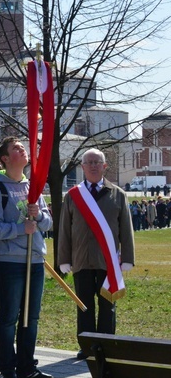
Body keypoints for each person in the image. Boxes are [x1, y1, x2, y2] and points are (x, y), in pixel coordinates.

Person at [0, 137, 53, 378]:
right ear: (4, 158)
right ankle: (7, 365)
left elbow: (47, 223)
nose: (23, 150)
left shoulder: (33, 186)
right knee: (10, 315)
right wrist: (21, 228)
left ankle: (27, 364)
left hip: (34, 259)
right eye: (16, 148)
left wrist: (40, 216)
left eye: (23, 147)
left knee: (31, 316)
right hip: (9, 260)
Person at [58, 148, 135, 360]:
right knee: (84, 305)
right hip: (81, 259)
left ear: (104, 166)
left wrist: (128, 258)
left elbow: (126, 229)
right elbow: (64, 229)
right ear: (82, 167)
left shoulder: (118, 194)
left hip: (107, 261)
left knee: (107, 305)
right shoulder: (73, 195)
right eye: (89, 162)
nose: (93, 165)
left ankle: (107, 345)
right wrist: (63, 259)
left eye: (97, 162)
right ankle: (88, 346)